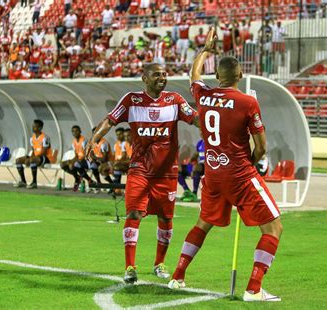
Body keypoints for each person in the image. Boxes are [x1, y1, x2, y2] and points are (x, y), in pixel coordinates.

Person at [168, 28, 283, 302]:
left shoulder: (203, 96)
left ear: (217, 76)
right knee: (273, 228)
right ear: (240, 76)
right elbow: (262, 146)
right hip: (240, 173)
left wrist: (206, 50)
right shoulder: (247, 102)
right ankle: (254, 288)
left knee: (204, 222)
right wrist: (251, 165)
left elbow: (194, 75)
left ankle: (177, 276)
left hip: (213, 174)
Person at [90, 63, 198, 284]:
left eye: (164, 74)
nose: (162, 77)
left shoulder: (175, 100)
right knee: (133, 215)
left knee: (166, 219)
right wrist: (94, 140)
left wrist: (219, 125)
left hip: (167, 173)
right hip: (140, 171)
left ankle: (159, 263)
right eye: (157, 74)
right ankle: (130, 267)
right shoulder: (131, 100)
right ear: (144, 78)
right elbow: (110, 120)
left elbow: (196, 118)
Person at [15, 119, 53, 189]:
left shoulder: (45, 137)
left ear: (40, 128)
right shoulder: (32, 138)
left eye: (35, 126)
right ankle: (23, 181)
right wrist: (29, 158)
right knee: (18, 160)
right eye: (33, 126)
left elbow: (44, 152)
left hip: (46, 158)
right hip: (36, 157)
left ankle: (34, 182)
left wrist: (31, 159)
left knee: (32, 160)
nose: (33, 127)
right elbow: (33, 151)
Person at [60, 125, 90, 191]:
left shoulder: (84, 140)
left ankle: (88, 180)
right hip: (78, 159)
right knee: (63, 164)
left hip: (86, 160)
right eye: (73, 131)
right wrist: (70, 161)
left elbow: (86, 154)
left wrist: (73, 161)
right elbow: (75, 154)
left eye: (76, 131)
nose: (75, 133)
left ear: (80, 131)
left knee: (74, 164)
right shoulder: (74, 142)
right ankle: (77, 177)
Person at [180, 138, 205, 202]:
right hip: (200, 166)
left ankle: (194, 193)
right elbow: (196, 155)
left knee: (197, 168)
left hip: (208, 166)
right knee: (178, 170)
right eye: (200, 131)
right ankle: (187, 191)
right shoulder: (200, 142)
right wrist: (190, 160)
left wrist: (194, 166)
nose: (201, 132)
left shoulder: (211, 142)